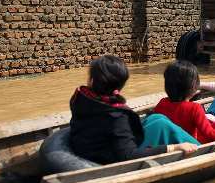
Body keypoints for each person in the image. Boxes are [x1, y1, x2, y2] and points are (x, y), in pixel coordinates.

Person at [69, 55, 198, 165]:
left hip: (100, 147)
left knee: (157, 118)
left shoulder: (80, 98)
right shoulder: (116, 117)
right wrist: (173, 148)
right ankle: (200, 147)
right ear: (119, 87)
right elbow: (128, 156)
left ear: (91, 81)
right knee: (162, 124)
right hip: (109, 159)